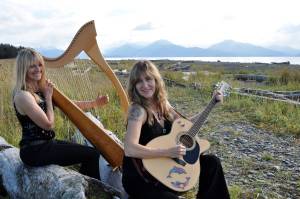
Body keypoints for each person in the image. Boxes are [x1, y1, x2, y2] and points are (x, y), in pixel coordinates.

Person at [122, 60, 230, 199]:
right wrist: (168, 152)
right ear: (134, 86)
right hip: (141, 177)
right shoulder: (137, 110)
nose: (145, 85)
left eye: (148, 79)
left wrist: (211, 104)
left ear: (156, 80)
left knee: (212, 163)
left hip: (166, 166)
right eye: (139, 81)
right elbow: (130, 149)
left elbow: (186, 124)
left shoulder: (163, 104)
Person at [13, 48, 109, 180]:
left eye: (40, 65)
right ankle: (88, 189)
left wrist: (95, 103)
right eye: (32, 66)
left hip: (47, 144)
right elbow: (48, 124)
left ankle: (82, 186)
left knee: (92, 152)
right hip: (35, 151)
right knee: (92, 155)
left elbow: (69, 104)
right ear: (23, 68)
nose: (38, 69)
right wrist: (48, 97)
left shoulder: (39, 90)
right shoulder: (23, 96)